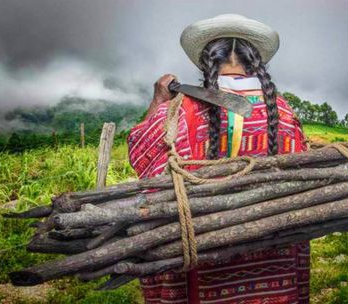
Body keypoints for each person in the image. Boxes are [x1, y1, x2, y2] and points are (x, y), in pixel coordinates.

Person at [128, 14, 310, 304]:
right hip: (273, 273)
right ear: (256, 63)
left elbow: (139, 154)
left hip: (203, 270)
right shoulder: (284, 114)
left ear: (206, 63)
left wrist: (158, 101)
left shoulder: (182, 110)